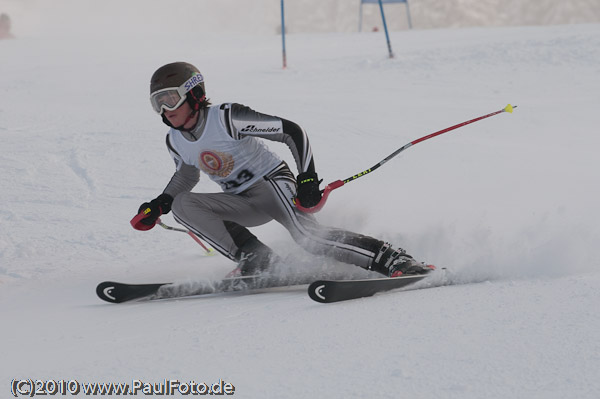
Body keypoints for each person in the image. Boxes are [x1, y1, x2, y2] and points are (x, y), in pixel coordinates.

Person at [134, 61, 433, 278]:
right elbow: (187, 176)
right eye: (157, 103)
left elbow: (291, 131)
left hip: (272, 184)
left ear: (194, 93)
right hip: (241, 201)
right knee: (182, 204)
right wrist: (160, 204)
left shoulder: (225, 118)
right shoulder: (175, 141)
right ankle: (258, 261)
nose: (165, 110)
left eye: (170, 99)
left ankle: (392, 259)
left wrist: (306, 179)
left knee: (308, 237)